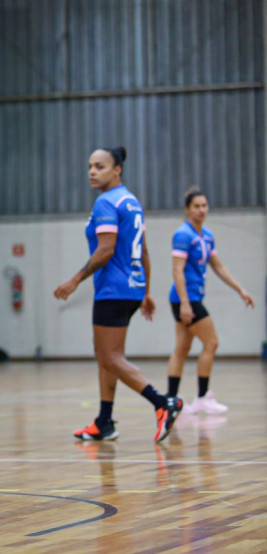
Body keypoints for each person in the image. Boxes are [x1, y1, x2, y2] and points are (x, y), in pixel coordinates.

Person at [54, 146, 182, 443]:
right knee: (107, 356)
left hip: (113, 289)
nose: (92, 172)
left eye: (99, 166)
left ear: (117, 170)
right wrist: (145, 292)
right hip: (132, 289)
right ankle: (104, 421)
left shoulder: (105, 202)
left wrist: (75, 279)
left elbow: (106, 249)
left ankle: (162, 404)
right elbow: (144, 250)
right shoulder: (132, 202)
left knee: (109, 357)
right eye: (90, 166)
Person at [165, 189, 255, 414]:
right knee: (211, 342)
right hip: (186, 298)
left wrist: (240, 289)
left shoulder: (206, 234)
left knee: (182, 348)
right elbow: (177, 270)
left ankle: (170, 400)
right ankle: (202, 397)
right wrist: (185, 303)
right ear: (187, 209)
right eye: (196, 206)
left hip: (192, 297)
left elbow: (218, 266)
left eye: (204, 205)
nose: (201, 210)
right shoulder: (183, 235)